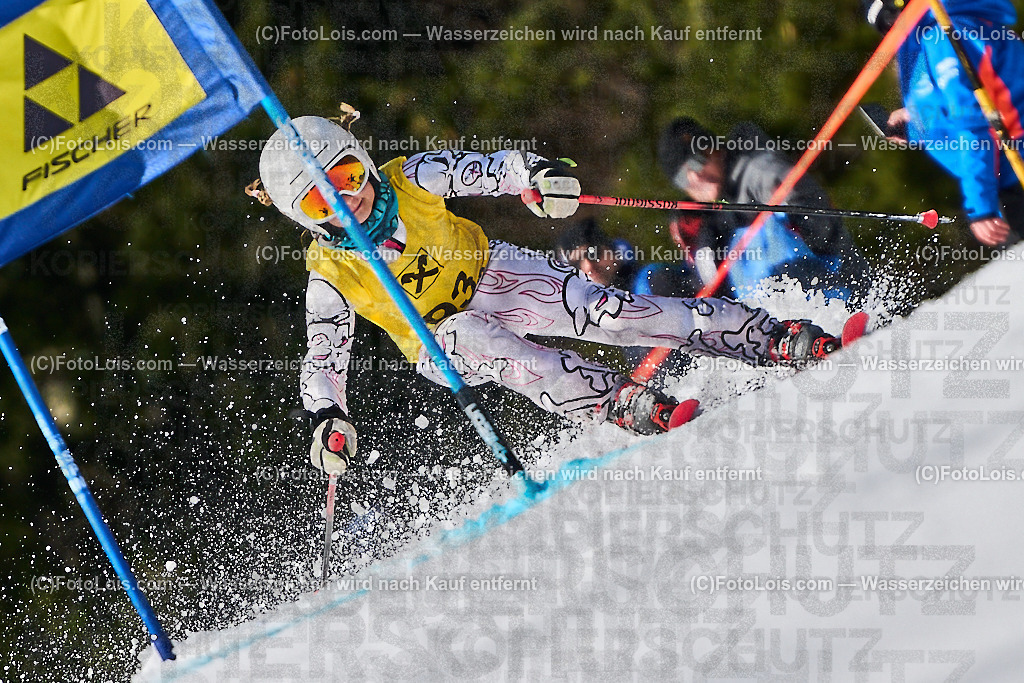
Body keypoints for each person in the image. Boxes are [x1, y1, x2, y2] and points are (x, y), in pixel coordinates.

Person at [251, 113, 843, 477]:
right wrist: (328, 414)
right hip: (438, 336)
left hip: (496, 273)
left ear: (365, 164)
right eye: (320, 202)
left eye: (348, 177)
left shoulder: (411, 178)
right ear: (304, 218)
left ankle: (767, 337)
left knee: (613, 312)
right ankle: (619, 401)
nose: (345, 202)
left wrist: (538, 178)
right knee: (511, 354)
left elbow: (489, 168)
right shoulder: (329, 270)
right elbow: (323, 353)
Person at [863, 0, 1024, 246]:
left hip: (1014, 165)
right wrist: (915, 128)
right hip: (1007, 170)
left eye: (887, 19)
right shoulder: (934, 34)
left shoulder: (943, 36)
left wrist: (981, 205)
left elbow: (974, 126)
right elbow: (955, 109)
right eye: (883, 27)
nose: (890, 31)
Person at [657, 117, 870, 300]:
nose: (695, 177)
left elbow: (815, 214)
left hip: (839, 288)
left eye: (696, 162)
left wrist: (794, 223)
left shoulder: (756, 171)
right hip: (791, 311)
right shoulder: (718, 212)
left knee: (766, 234)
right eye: (682, 178)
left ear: (715, 149)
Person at [555, 218, 699, 381]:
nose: (588, 266)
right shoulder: (607, 318)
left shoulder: (653, 279)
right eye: (576, 264)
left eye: (593, 253)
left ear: (613, 249)